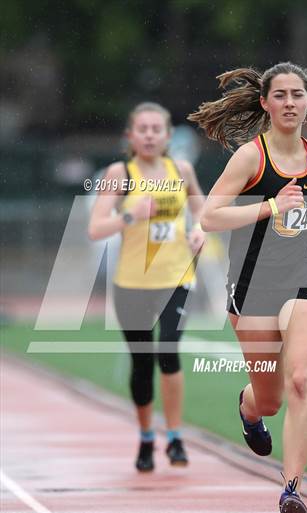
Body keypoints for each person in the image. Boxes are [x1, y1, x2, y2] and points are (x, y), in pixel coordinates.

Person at [188, 62, 307, 513]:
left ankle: (291, 490)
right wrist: (269, 206)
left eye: (297, 95)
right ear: (265, 103)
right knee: (271, 399)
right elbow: (209, 217)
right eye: (280, 95)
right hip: (253, 286)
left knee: (302, 379)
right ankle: (248, 409)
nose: (289, 103)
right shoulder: (250, 158)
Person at [89, 102, 205, 472]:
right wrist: (130, 215)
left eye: (157, 129)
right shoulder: (119, 172)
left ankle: (174, 436)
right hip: (132, 282)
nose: (151, 135)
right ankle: (144, 436)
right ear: (131, 135)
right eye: (143, 129)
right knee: (142, 363)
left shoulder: (181, 169)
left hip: (176, 277)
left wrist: (199, 230)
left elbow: (202, 209)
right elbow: (95, 228)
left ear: (169, 136)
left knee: (168, 352)